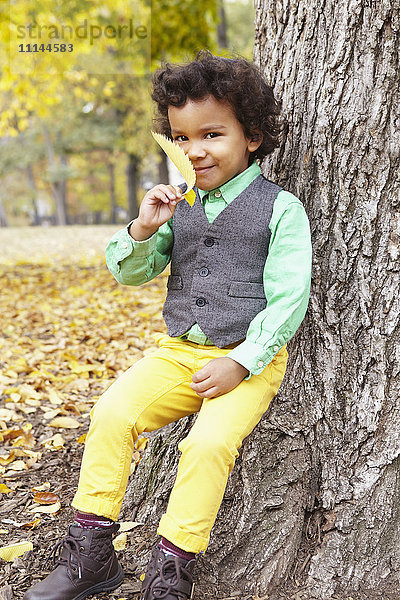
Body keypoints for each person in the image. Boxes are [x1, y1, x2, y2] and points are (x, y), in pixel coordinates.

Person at [23, 50, 312, 600]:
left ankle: (171, 572)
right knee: (111, 412)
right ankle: (91, 556)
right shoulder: (176, 203)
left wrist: (241, 361)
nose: (195, 151)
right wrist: (141, 227)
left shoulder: (280, 210)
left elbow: (288, 299)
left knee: (207, 444)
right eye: (181, 138)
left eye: (211, 135)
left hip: (248, 358)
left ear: (250, 136)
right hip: (179, 352)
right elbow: (132, 272)